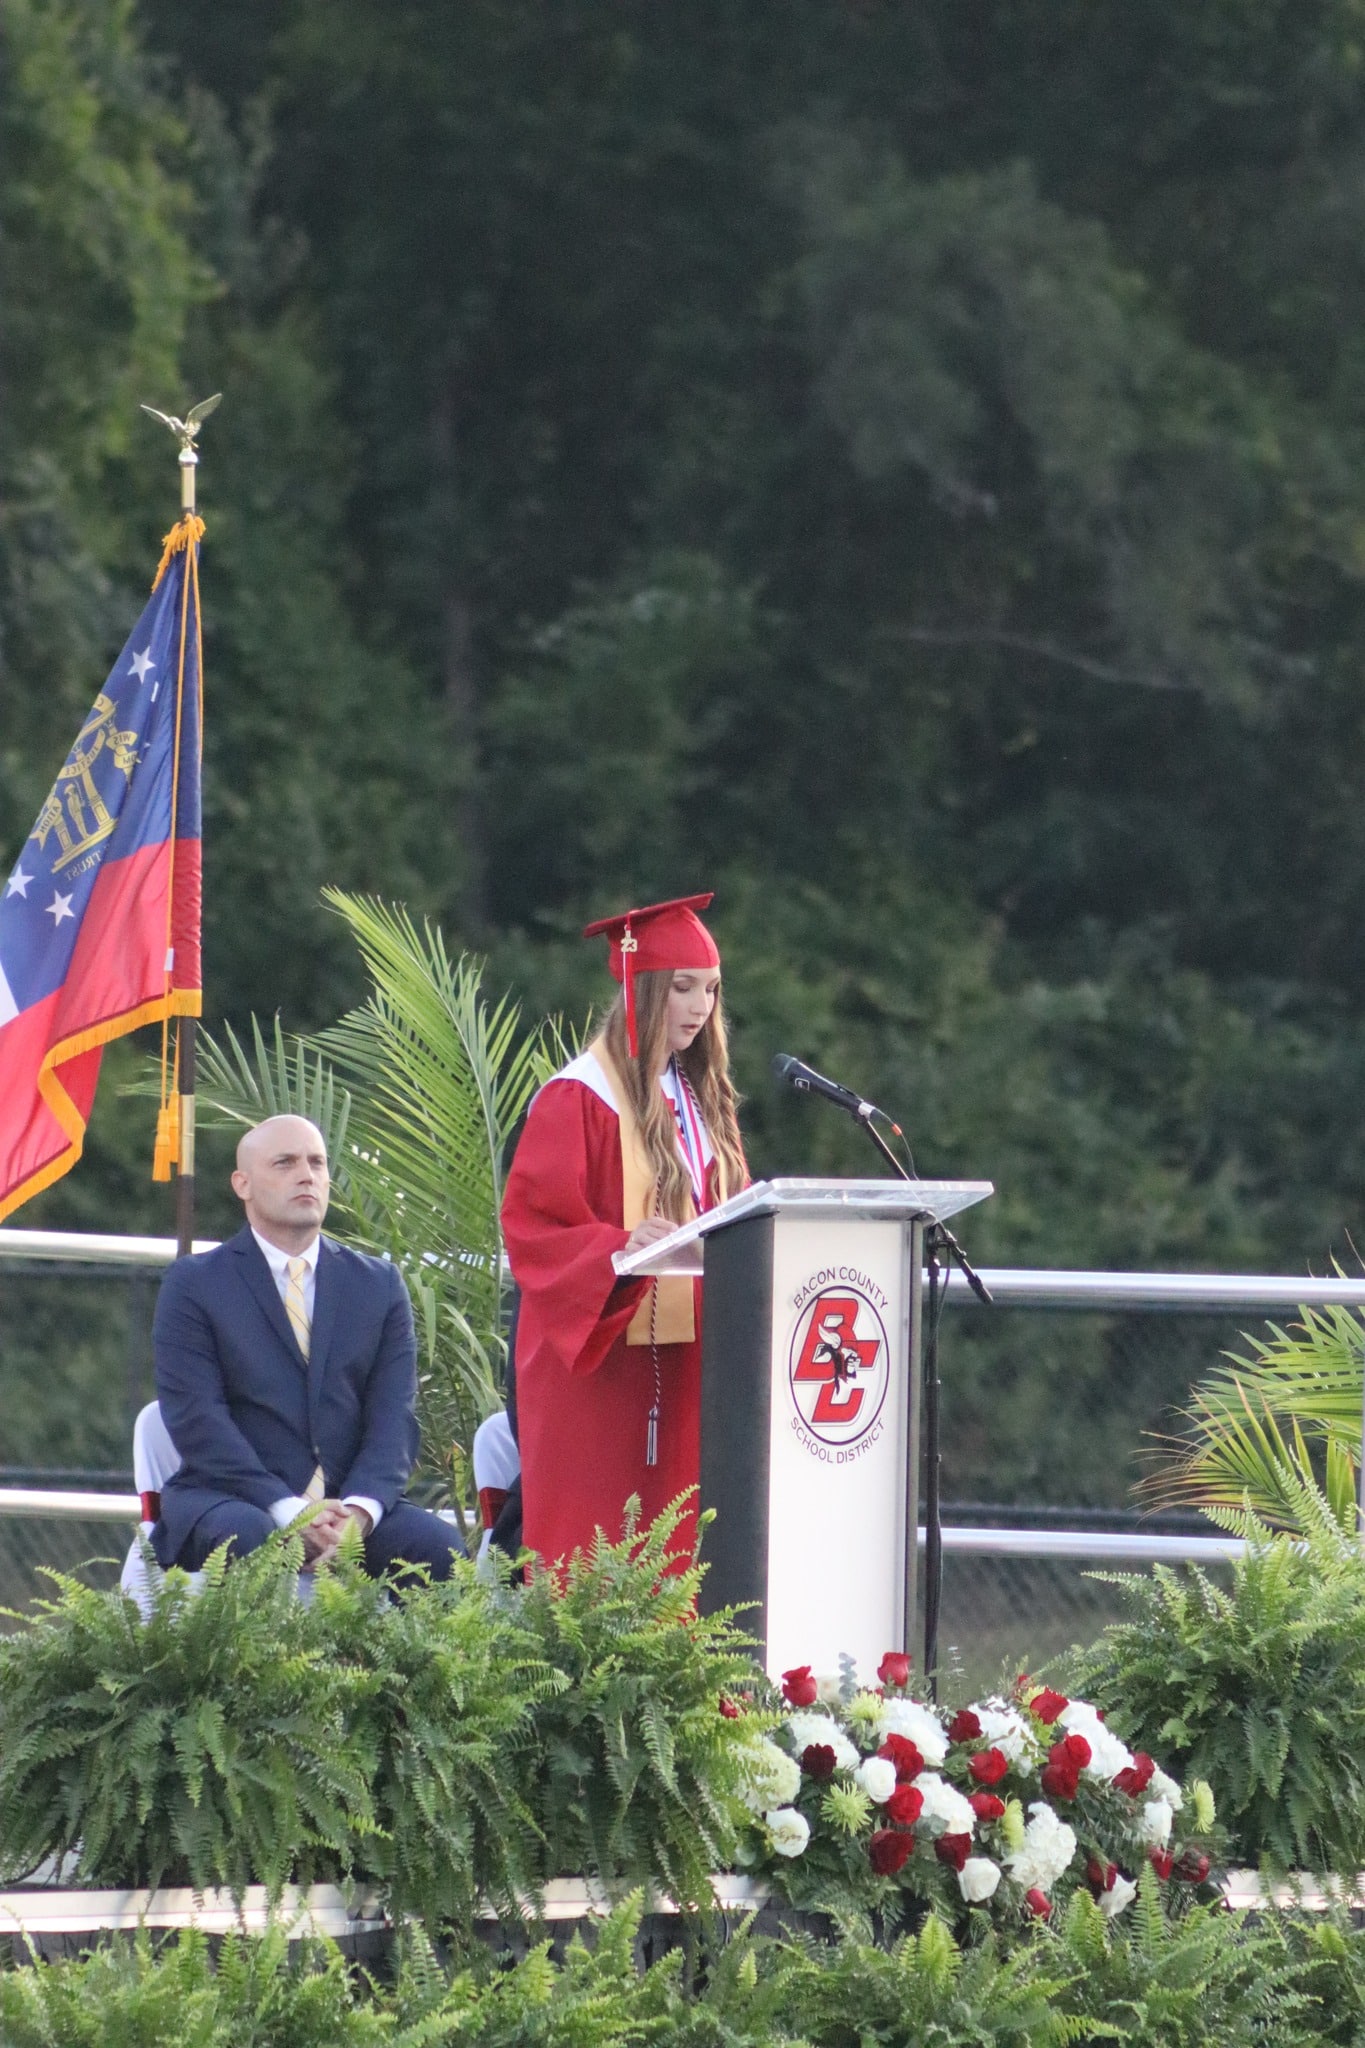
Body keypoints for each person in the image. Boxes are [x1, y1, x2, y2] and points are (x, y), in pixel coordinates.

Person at [501, 892, 747, 1568]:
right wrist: (620, 1250)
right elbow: (535, 1227)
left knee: (682, 1551)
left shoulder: (702, 1101)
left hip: (688, 1361)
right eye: (683, 987)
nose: (700, 1007)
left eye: (711, 990)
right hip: (601, 1366)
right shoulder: (578, 1096)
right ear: (644, 990)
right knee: (598, 1546)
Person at [151, 1112, 466, 1578]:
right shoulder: (195, 1284)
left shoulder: (378, 1286)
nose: (307, 1175)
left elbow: (393, 1419)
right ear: (242, 1184)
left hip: (346, 1506)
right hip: (235, 1500)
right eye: (285, 1163)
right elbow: (198, 1420)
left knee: (439, 1549)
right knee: (249, 1538)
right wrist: (289, 1510)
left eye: (317, 1163)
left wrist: (358, 1514)